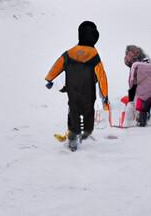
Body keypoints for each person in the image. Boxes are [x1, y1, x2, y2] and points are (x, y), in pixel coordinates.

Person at [45, 21, 109, 151]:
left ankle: (73, 136)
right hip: (88, 91)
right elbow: (102, 76)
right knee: (88, 111)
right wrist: (105, 95)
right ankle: (86, 131)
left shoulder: (69, 53)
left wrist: (50, 78)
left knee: (73, 111)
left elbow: (57, 65)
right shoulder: (94, 55)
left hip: (72, 90)